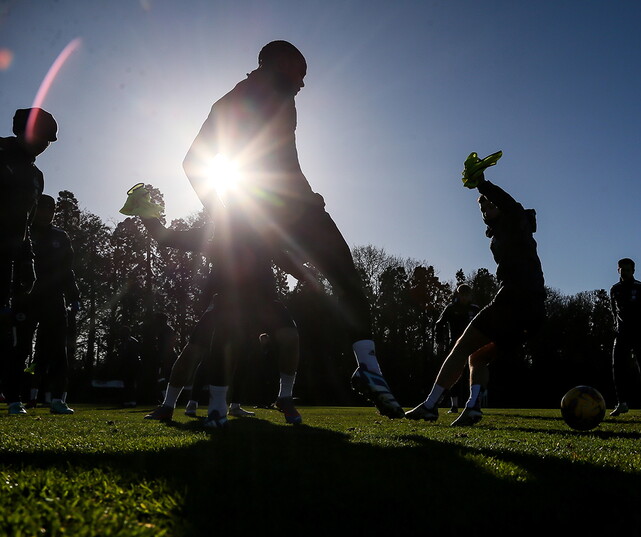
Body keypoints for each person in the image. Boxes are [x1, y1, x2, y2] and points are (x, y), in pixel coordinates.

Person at [182, 40, 402, 418]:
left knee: (346, 274)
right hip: (256, 213)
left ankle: (367, 367)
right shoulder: (230, 105)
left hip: (298, 208)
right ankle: (217, 404)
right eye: (299, 74)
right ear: (275, 64)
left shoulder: (285, 100)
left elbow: (283, 158)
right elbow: (193, 161)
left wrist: (304, 192)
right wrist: (221, 212)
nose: (302, 84)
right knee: (235, 309)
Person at [122, 187, 302, 426]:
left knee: (290, 336)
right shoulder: (213, 234)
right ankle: (168, 406)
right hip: (226, 304)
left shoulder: (262, 233)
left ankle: (284, 397)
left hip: (264, 301)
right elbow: (166, 237)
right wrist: (147, 215)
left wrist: (306, 276)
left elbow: (282, 256)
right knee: (192, 353)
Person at [406, 151, 546, 427]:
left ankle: (430, 406)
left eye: (490, 206)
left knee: (461, 347)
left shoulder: (514, 220)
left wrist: (482, 183)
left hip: (515, 300)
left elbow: (510, 205)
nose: (485, 210)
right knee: (478, 357)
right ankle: (472, 408)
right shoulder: (504, 231)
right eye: (482, 209)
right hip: (533, 311)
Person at [1, 107, 58, 415]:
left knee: (13, 332)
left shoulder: (37, 176)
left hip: (11, 260)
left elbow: (26, 223)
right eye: (42, 137)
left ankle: (12, 396)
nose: (45, 145)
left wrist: (28, 261)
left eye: (49, 141)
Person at [13, 194, 80, 414]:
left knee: (59, 350)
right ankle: (14, 400)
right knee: (21, 348)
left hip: (54, 299)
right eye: (42, 209)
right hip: (27, 298)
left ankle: (58, 400)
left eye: (50, 210)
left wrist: (74, 295)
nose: (46, 213)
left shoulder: (61, 236)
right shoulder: (23, 232)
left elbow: (67, 269)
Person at [608, 258, 641, 418]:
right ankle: (621, 403)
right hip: (622, 334)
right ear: (618, 270)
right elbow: (614, 312)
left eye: (628, 270)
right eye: (622, 269)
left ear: (633, 271)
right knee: (617, 367)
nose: (625, 272)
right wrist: (616, 327)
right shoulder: (614, 289)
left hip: (640, 334)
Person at [434, 284, 481, 413]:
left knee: (474, 372)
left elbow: (484, 325)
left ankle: (474, 402)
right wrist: (439, 341)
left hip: (473, 345)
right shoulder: (451, 308)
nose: (464, 297)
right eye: (462, 294)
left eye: (467, 294)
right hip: (455, 345)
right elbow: (439, 324)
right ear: (458, 294)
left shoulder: (475, 309)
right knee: (454, 373)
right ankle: (454, 405)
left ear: (470, 295)